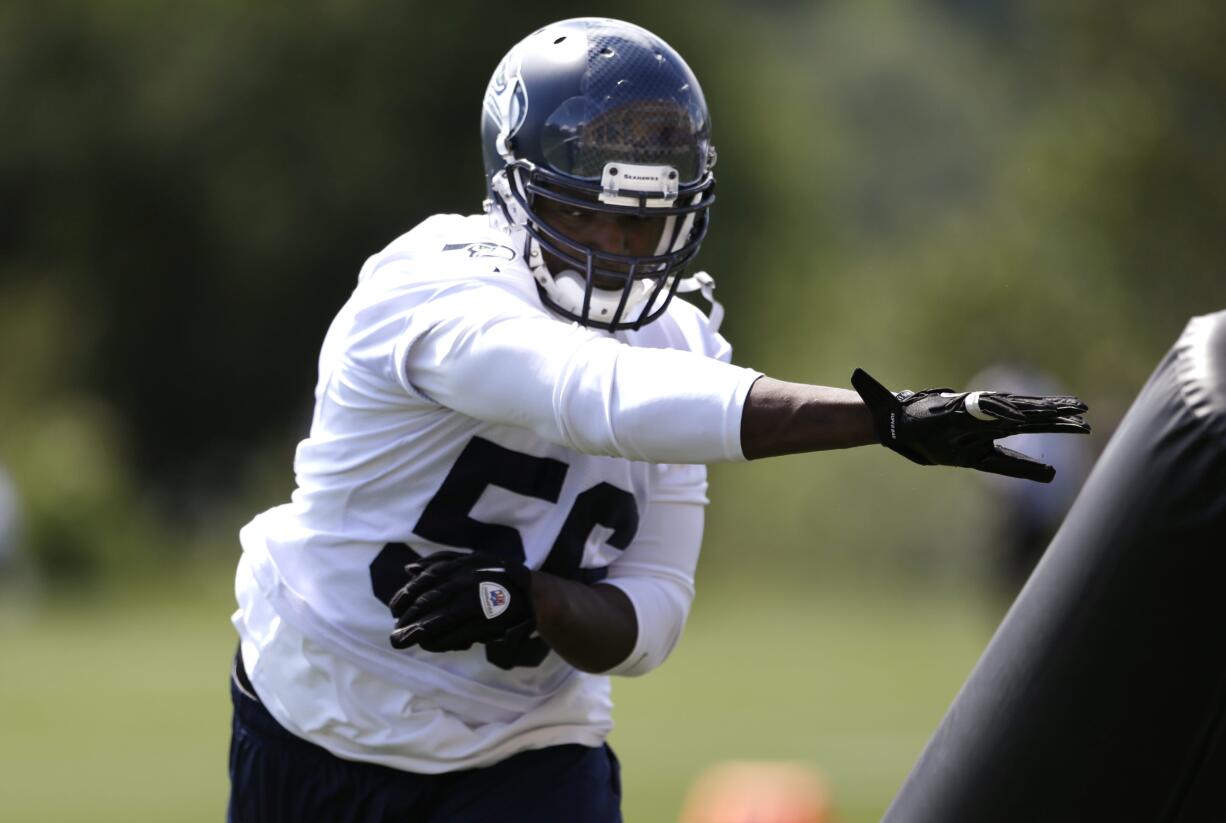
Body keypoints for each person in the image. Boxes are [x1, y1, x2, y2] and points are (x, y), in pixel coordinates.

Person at [228, 17, 1089, 822]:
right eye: (579, 211)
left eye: (641, 222)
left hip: (528, 749)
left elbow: (652, 616)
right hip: (317, 704)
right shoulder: (432, 285)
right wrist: (881, 419)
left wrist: (532, 601)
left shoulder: (681, 341)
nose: (612, 247)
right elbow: (593, 393)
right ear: (514, 192)